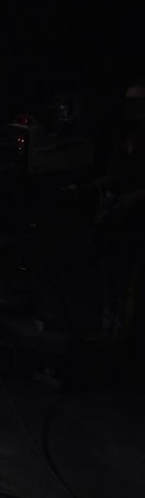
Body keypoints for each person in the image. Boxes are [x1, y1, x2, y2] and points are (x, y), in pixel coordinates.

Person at [91, 77, 145, 346]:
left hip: (137, 222)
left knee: (128, 281)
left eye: (138, 103)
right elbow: (116, 175)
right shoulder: (124, 136)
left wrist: (135, 198)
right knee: (109, 274)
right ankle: (107, 329)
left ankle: (122, 337)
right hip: (117, 218)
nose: (132, 108)